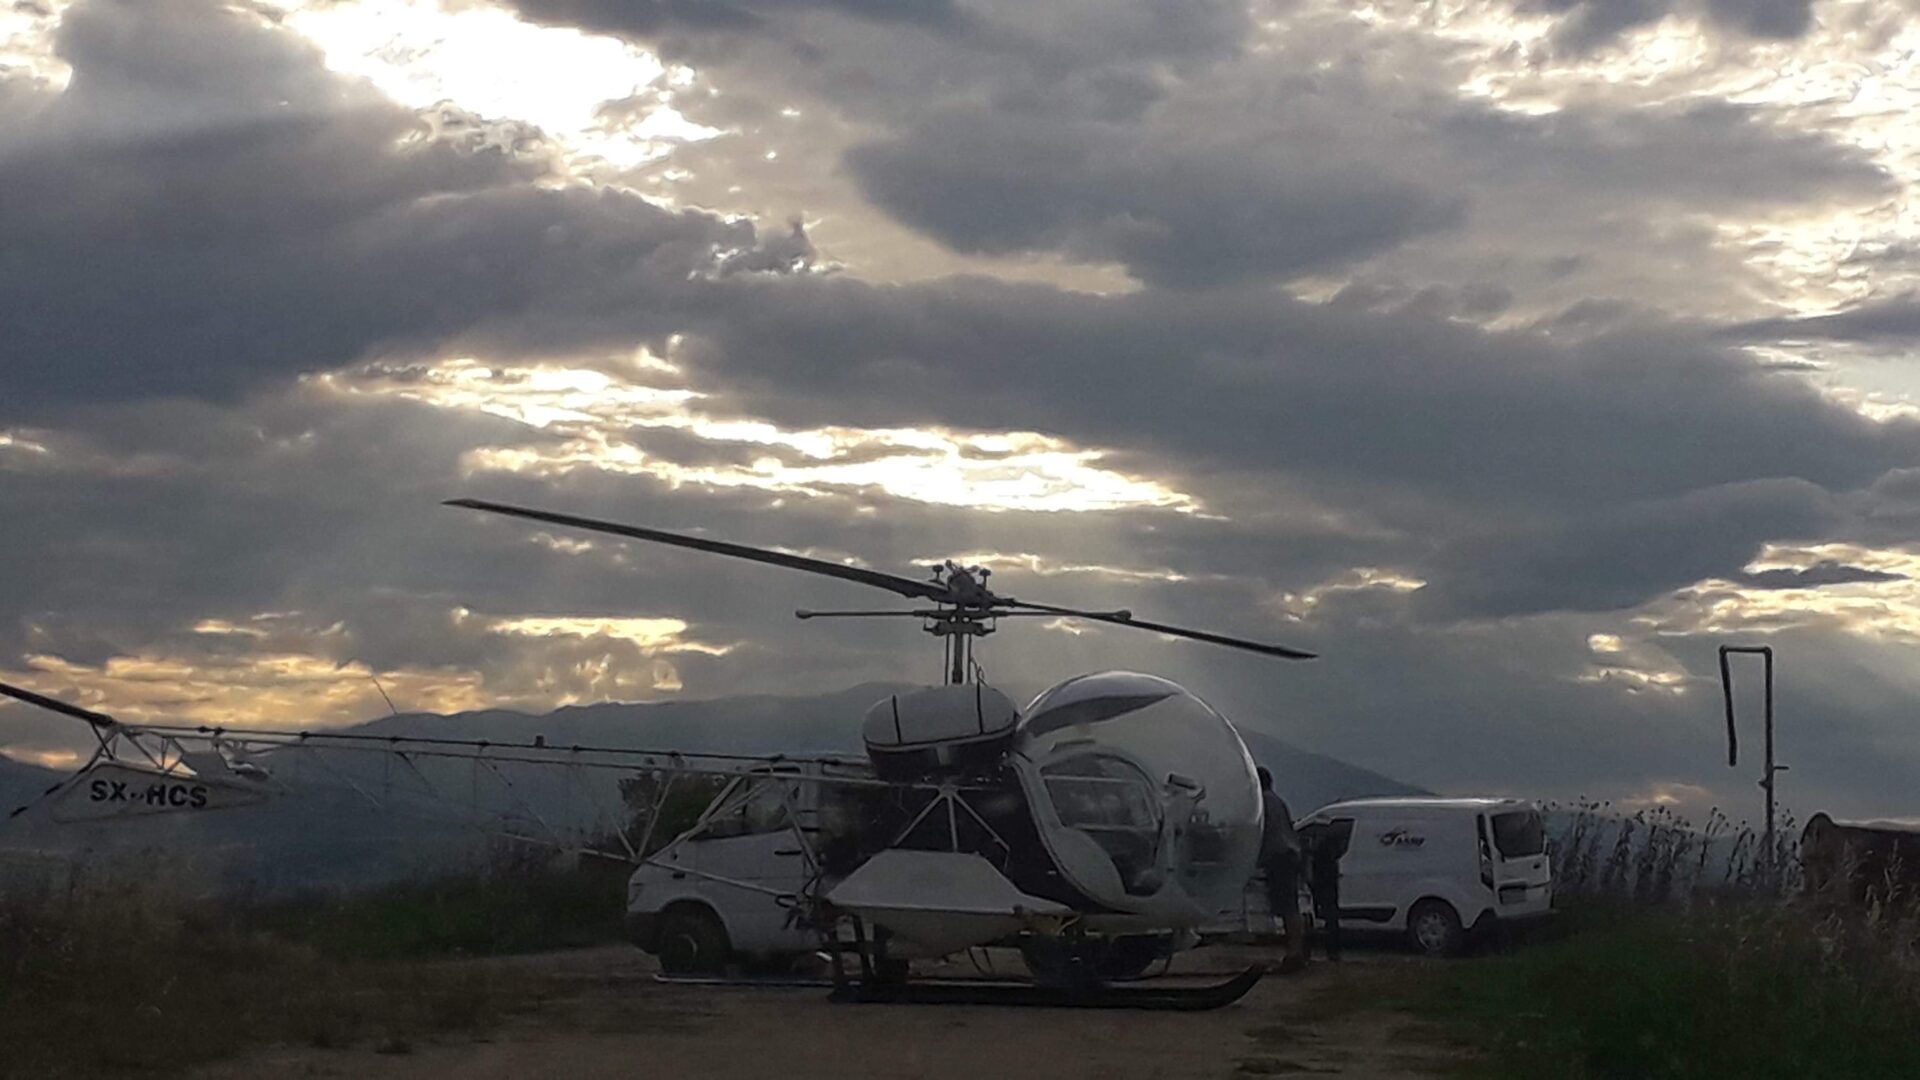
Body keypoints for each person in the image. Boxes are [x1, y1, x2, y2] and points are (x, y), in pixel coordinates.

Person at [1256, 766, 1307, 971]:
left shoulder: (1263, 803)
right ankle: (1297, 951)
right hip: (1289, 855)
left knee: (1287, 907)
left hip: (1279, 858)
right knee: (1290, 906)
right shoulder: (1277, 801)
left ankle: (1294, 953)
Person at [1306, 825, 1342, 961]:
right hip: (1327, 878)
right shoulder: (1331, 840)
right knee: (1330, 915)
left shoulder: (1321, 844)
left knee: (1326, 914)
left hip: (1323, 878)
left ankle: (1330, 950)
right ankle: (1332, 950)